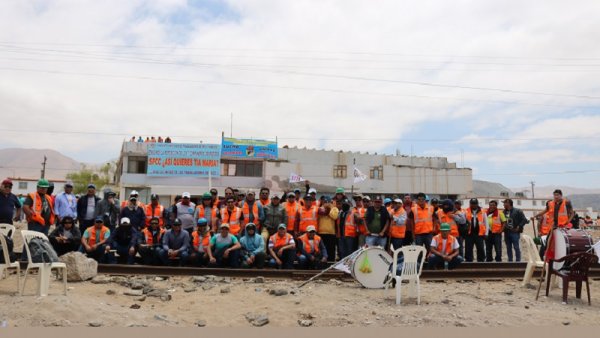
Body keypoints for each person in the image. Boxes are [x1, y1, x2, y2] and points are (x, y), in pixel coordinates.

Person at [317, 196, 339, 262]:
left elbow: (334, 217)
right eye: (325, 202)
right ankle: (321, 261)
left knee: (331, 249)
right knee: (322, 249)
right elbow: (319, 214)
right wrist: (325, 209)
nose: (326, 203)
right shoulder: (319, 208)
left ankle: (331, 262)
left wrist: (329, 209)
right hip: (321, 232)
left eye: (328, 202)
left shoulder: (334, 209)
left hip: (331, 233)